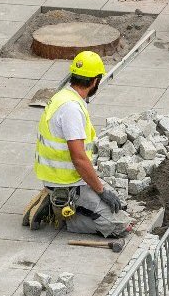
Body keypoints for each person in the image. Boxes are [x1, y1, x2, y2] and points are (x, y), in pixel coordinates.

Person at [27, 51, 131, 238]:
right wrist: (100, 190)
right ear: (95, 81)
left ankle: (60, 202)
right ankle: (59, 211)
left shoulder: (64, 96)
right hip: (66, 182)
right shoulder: (71, 110)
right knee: (119, 226)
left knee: (119, 203)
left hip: (69, 177)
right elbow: (79, 159)